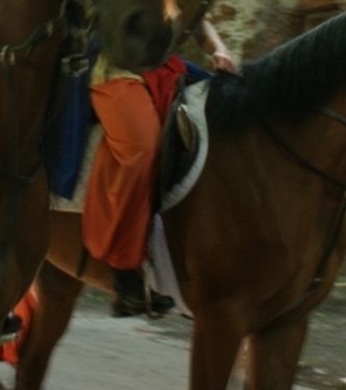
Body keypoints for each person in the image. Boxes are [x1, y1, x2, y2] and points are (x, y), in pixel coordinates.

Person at [83, 16, 237, 318]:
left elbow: (193, 14)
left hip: (166, 70)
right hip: (118, 70)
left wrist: (218, 48)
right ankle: (123, 271)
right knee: (141, 150)